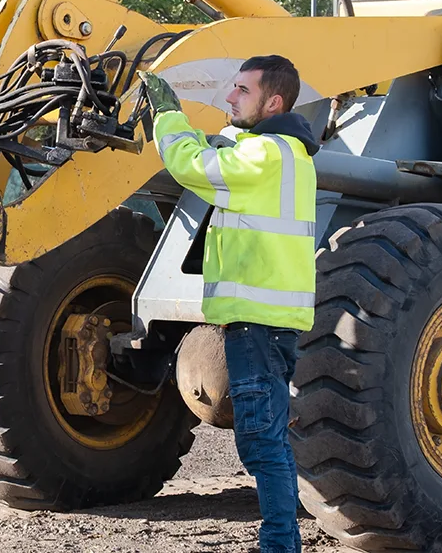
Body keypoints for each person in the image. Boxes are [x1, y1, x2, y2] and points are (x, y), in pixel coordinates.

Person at [135, 56, 318, 553]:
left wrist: (168, 117)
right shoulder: (276, 153)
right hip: (265, 324)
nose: (229, 97)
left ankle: (280, 545)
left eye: (241, 89)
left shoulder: (269, 156)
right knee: (270, 437)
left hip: (258, 325)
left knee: (261, 441)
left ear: (273, 102)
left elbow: (192, 164)